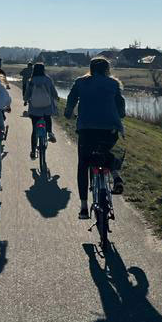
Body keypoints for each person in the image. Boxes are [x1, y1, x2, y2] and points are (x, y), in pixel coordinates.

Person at [64, 57, 125, 219]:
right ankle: (116, 175)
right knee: (104, 151)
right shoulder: (113, 84)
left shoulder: (80, 82)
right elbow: (121, 106)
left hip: (87, 129)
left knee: (83, 164)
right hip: (109, 129)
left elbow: (71, 100)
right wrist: (119, 116)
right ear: (107, 69)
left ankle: (84, 207)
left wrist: (68, 113)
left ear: (91, 68)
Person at [24, 61, 59, 158]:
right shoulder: (48, 80)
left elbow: (27, 95)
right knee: (48, 118)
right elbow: (53, 92)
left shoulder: (31, 80)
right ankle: (50, 133)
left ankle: (32, 151)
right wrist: (56, 97)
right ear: (43, 70)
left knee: (34, 130)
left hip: (34, 109)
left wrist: (26, 99)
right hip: (47, 107)